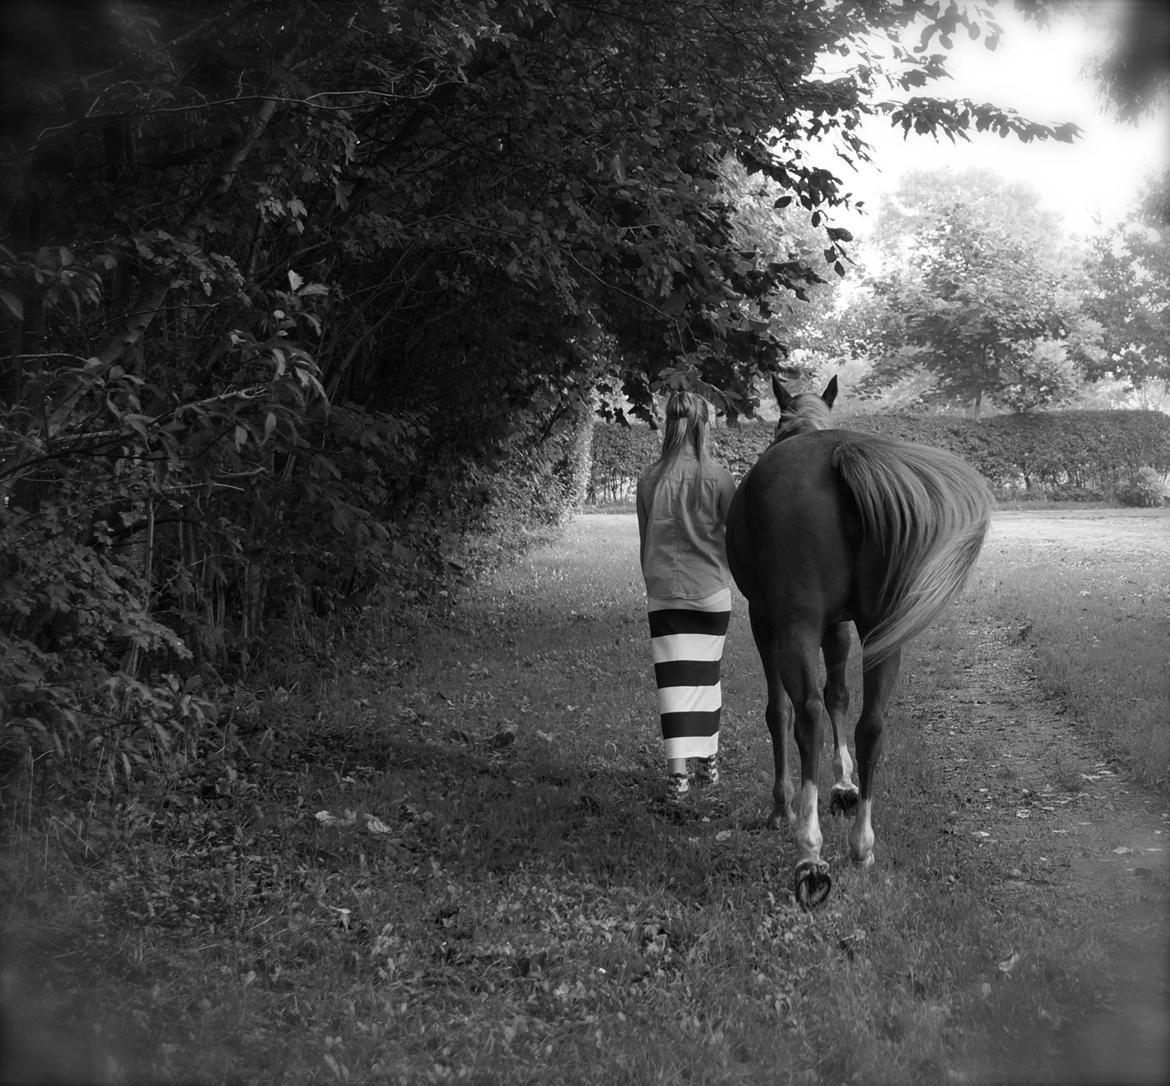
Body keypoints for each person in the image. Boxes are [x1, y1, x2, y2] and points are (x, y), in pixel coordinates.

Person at [636, 390, 737, 803]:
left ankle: (677, 776)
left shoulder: (648, 479)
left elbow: (645, 542)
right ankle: (707, 761)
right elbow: (737, 538)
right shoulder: (719, 477)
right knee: (706, 677)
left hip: (664, 592)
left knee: (672, 685)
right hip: (710, 591)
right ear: (702, 426)